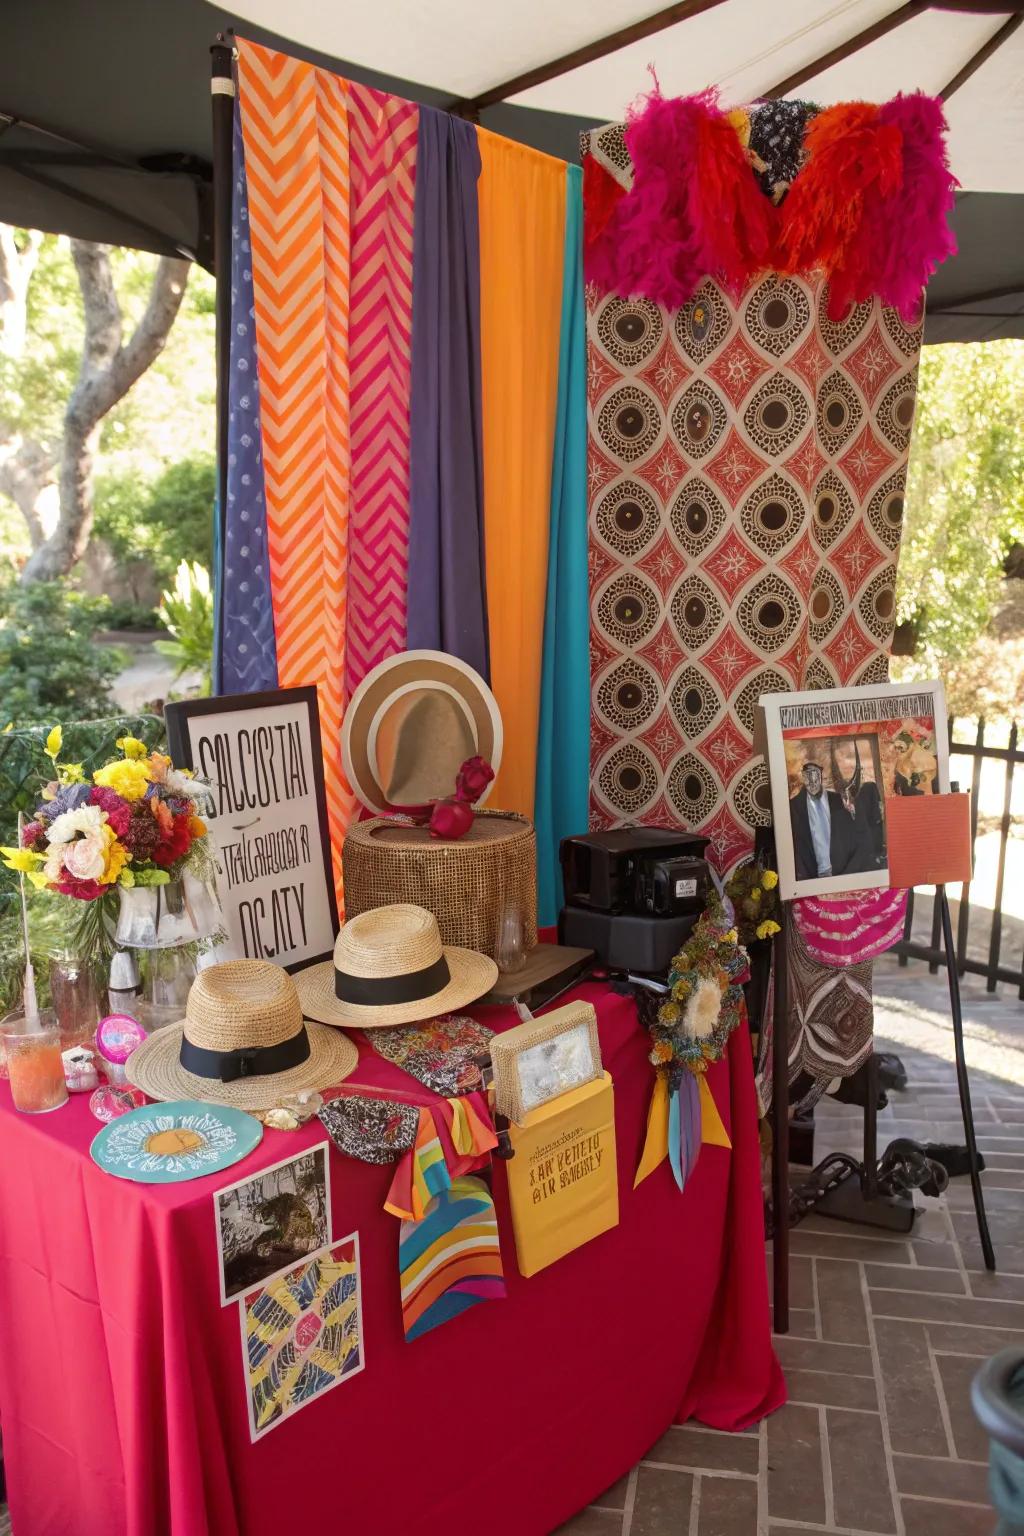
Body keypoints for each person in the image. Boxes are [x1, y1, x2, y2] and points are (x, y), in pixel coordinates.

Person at [830, 739, 885, 873]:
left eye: (849, 756)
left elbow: (877, 829)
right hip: (846, 870)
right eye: (840, 757)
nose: (845, 762)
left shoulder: (870, 789)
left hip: (871, 865)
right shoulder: (831, 801)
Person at [789, 760, 849, 880]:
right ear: (803, 778)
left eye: (814, 776)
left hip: (840, 870)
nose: (812, 782)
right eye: (807, 777)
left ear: (821, 776)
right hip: (812, 873)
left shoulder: (836, 800)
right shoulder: (795, 805)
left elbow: (846, 834)